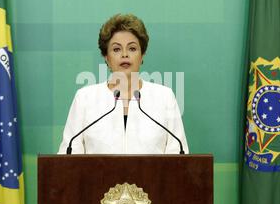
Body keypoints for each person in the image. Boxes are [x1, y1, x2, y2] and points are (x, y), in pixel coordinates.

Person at [57, 14, 188, 154]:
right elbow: (68, 157)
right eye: (116, 49)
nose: (125, 54)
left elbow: (179, 156)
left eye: (132, 48)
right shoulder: (85, 98)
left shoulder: (164, 97)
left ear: (142, 55)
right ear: (106, 57)